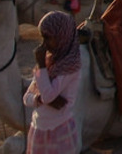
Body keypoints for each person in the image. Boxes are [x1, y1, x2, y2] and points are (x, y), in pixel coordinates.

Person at [24, 11, 82, 154]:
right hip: (38, 128)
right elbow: (27, 98)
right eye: (42, 38)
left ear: (62, 36)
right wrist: (39, 99)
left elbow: (48, 95)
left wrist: (41, 67)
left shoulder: (70, 67)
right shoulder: (50, 63)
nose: (44, 44)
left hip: (59, 130)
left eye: (48, 38)